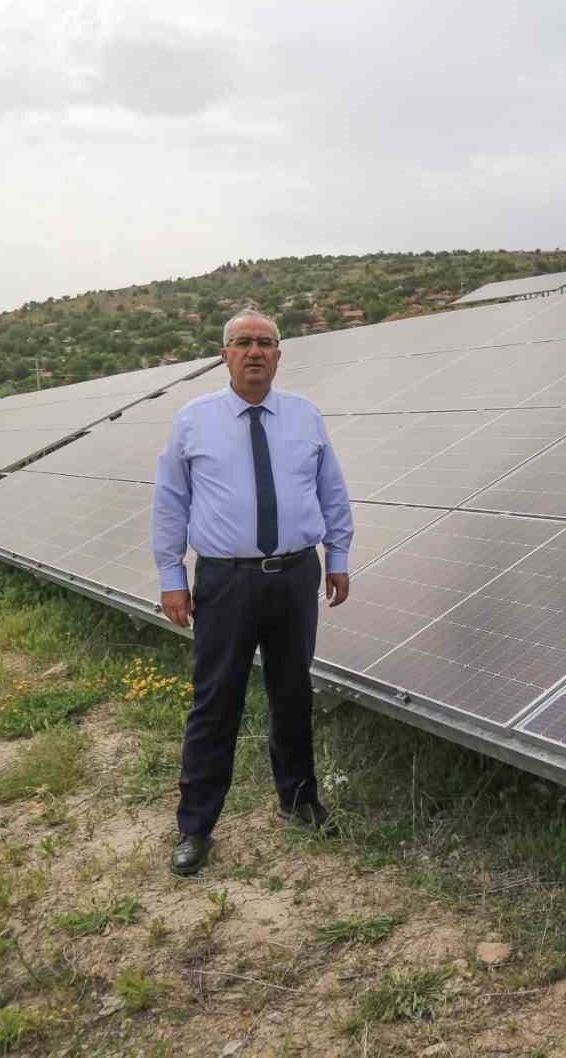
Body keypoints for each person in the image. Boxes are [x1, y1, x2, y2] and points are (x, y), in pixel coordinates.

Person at [151, 309, 354, 876]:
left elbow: (331, 491)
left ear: (280, 354)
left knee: (292, 692)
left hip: (295, 575)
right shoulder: (193, 421)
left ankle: (299, 799)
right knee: (216, 701)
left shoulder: (305, 417)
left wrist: (336, 557)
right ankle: (195, 826)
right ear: (225, 354)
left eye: (265, 342)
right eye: (243, 343)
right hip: (226, 581)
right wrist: (172, 577)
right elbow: (170, 502)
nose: (255, 352)